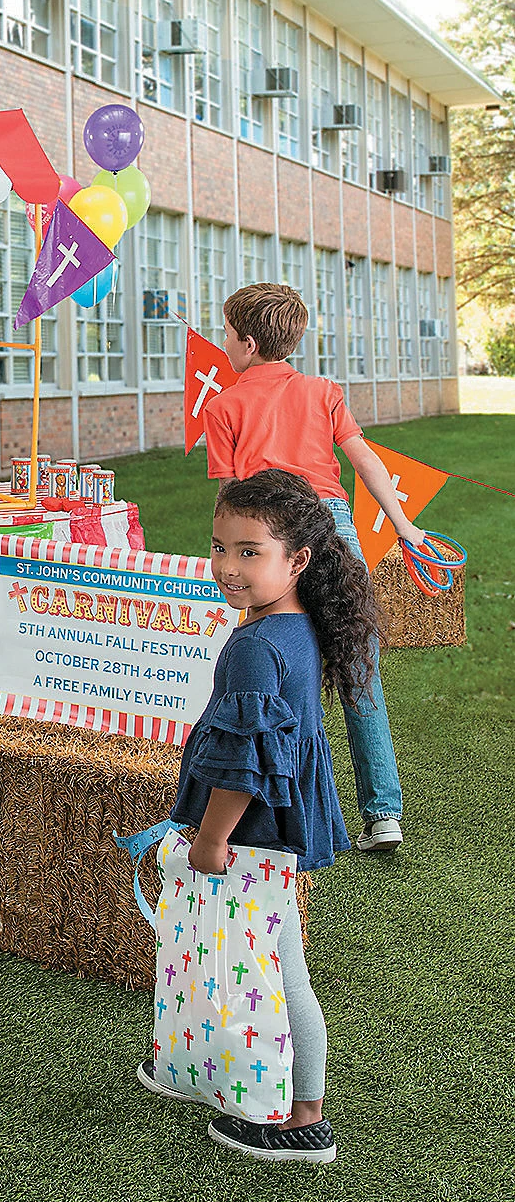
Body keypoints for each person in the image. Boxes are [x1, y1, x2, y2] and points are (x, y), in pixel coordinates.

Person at [138, 469, 371, 1163]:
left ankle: (300, 1117)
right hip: (280, 823)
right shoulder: (293, 625)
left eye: (249, 552)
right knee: (267, 960)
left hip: (252, 833)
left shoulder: (254, 646)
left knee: (273, 970)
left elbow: (244, 758)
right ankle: (206, 1064)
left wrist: (211, 838)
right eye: (219, 547)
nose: (227, 567)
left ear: (296, 560)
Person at [200, 282, 424, 853]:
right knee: (357, 672)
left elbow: (233, 499)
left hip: (270, 536)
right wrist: (404, 526)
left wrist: (232, 553)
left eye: (226, 334)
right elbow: (365, 460)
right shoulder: (324, 390)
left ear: (247, 343)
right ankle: (384, 816)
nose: (223, 344)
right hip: (333, 527)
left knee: (271, 671)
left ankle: (273, 811)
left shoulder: (224, 406)